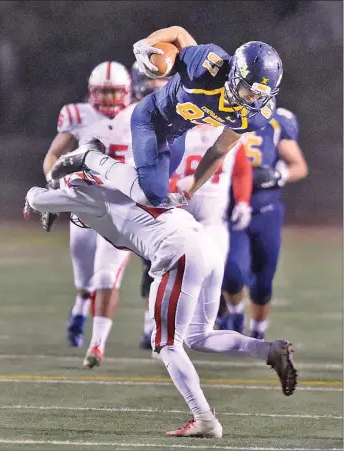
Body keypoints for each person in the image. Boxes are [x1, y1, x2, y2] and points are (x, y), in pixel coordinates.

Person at [24, 139, 297, 438]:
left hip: (176, 251)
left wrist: (46, 192)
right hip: (203, 242)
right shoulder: (123, 178)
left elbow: (37, 198)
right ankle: (268, 350)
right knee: (198, 335)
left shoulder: (87, 193)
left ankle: (204, 419)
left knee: (166, 343)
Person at [131, 26, 283, 206]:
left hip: (176, 136)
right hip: (151, 119)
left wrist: (190, 191)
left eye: (259, 95)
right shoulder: (204, 66)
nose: (252, 99)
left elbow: (219, 152)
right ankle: (95, 163)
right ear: (233, 75)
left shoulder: (254, 115)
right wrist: (147, 43)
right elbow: (179, 33)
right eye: (247, 90)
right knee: (151, 193)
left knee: (154, 199)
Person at [84, 62, 170, 367]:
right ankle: (96, 344)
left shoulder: (150, 115)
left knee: (159, 269)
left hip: (144, 204)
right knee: (103, 276)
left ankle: (156, 331)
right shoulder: (85, 119)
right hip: (113, 207)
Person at [42, 60, 132, 347]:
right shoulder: (78, 116)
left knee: (106, 274)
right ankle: (81, 306)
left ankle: (97, 341)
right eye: (103, 92)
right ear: (92, 92)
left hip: (120, 206)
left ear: (126, 91)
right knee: (84, 276)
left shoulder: (137, 115)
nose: (108, 98)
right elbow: (53, 154)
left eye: (114, 92)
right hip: (83, 203)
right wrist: (52, 180)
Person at [139, 124, 252, 350]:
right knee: (164, 271)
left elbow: (241, 170)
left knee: (214, 272)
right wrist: (173, 185)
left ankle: (208, 326)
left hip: (212, 220)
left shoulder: (228, 133)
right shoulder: (176, 134)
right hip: (176, 216)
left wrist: (242, 201)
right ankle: (154, 325)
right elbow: (153, 176)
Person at [218, 107, 309, 339]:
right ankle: (235, 313)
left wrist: (279, 176)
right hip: (229, 207)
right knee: (232, 273)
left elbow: (299, 166)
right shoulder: (220, 114)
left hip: (265, 209)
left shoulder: (277, 121)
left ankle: (258, 331)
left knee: (263, 280)